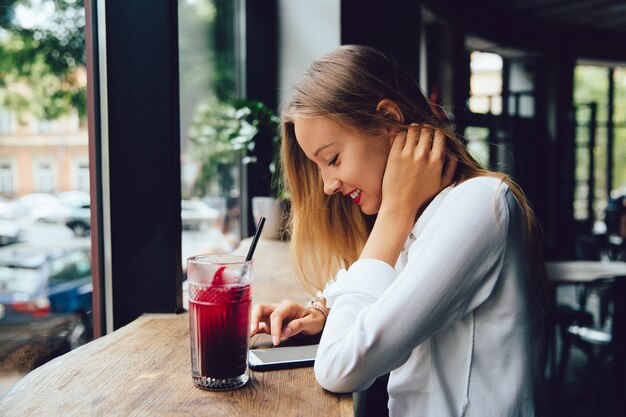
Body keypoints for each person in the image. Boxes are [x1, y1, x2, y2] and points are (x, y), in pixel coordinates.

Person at [250, 45, 547, 416]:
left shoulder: (479, 205)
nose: (327, 185)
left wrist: (394, 211)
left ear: (389, 121)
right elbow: (392, 291)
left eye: (332, 159)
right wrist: (324, 313)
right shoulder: (426, 215)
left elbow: (340, 369)